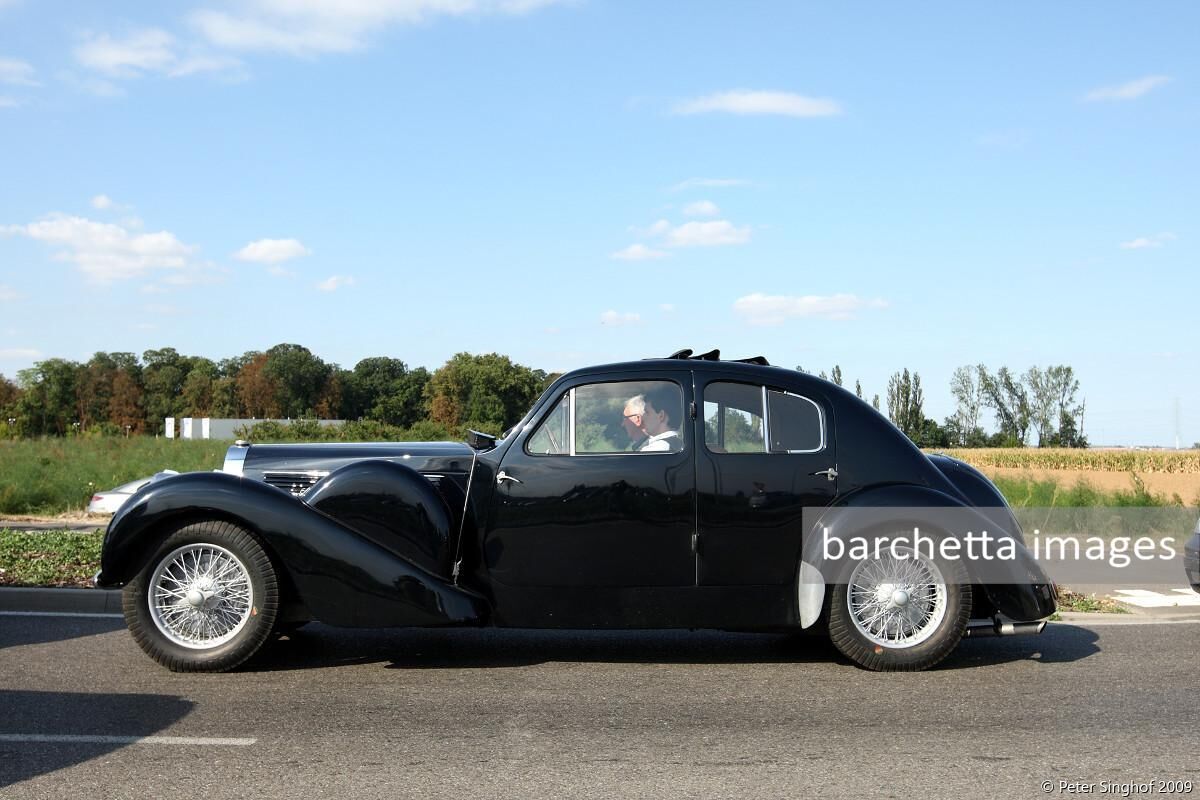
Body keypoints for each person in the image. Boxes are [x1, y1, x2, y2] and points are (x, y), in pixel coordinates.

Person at [622, 388, 682, 452]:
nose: (643, 417)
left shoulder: (659, 447)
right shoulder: (677, 443)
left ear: (661, 416)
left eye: (647, 412)